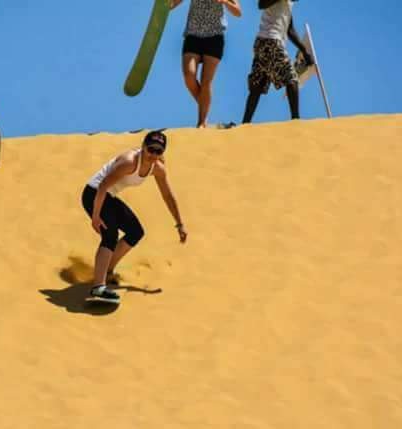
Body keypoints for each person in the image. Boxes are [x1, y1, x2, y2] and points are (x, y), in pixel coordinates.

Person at [81, 131, 187, 303]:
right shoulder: (129, 161)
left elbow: (167, 196)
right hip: (94, 194)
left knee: (135, 231)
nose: (153, 154)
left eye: (158, 151)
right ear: (143, 146)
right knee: (110, 235)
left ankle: (107, 270)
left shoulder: (158, 169)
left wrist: (180, 224)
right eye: (150, 149)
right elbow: (102, 186)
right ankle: (98, 287)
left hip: (109, 196)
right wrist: (95, 216)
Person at [171, 0, 242, 128]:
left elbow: (238, 12)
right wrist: (165, 7)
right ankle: (204, 106)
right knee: (189, 76)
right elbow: (173, 3)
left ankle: (202, 122)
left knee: (206, 82)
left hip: (215, 37)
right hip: (193, 36)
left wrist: (225, 1)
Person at [242, 0, 314, 123]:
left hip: (262, 43)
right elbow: (261, 4)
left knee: (257, 86)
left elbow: (290, 30)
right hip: (271, 41)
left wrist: (304, 51)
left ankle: (244, 123)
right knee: (291, 79)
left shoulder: (289, 4)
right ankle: (296, 122)